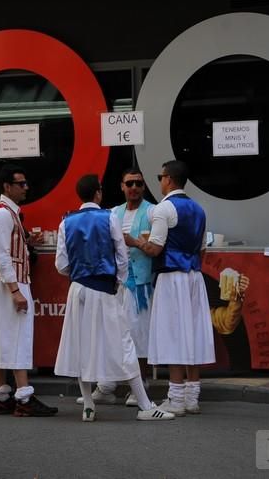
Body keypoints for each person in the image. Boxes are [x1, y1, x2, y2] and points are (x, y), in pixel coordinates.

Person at [55, 174, 174, 422]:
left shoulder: (66, 222)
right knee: (124, 343)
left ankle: (88, 404)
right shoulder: (109, 217)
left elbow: (61, 265)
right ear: (98, 193)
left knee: (82, 344)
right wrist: (117, 281)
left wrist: (79, 274)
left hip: (78, 288)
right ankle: (144, 404)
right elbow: (121, 255)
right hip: (104, 288)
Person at [0, 165, 57, 417]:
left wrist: (26, 243)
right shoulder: (3, 215)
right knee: (18, 337)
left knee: (1, 337)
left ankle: (2, 394)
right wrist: (15, 290)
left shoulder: (3, 213)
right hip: (10, 282)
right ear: (7, 187)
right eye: (21, 184)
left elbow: (3, 252)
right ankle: (24, 397)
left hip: (1, 283)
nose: (26, 187)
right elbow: (1, 255)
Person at [134, 160, 214, 416]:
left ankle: (176, 398)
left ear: (168, 179)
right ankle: (192, 397)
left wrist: (134, 241)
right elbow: (202, 248)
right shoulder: (200, 210)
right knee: (192, 331)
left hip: (172, 276)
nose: (159, 181)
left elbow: (155, 247)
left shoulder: (163, 208)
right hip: (194, 276)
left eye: (160, 176)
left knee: (173, 332)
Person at [75, 167, 154, 407]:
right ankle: (106, 385)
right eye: (129, 183)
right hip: (114, 285)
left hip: (139, 285)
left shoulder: (152, 211)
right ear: (121, 186)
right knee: (108, 335)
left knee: (138, 337)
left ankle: (139, 388)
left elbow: (155, 246)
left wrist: (135, 242)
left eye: (139, 184)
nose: (134, 188)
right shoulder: (112, 213)